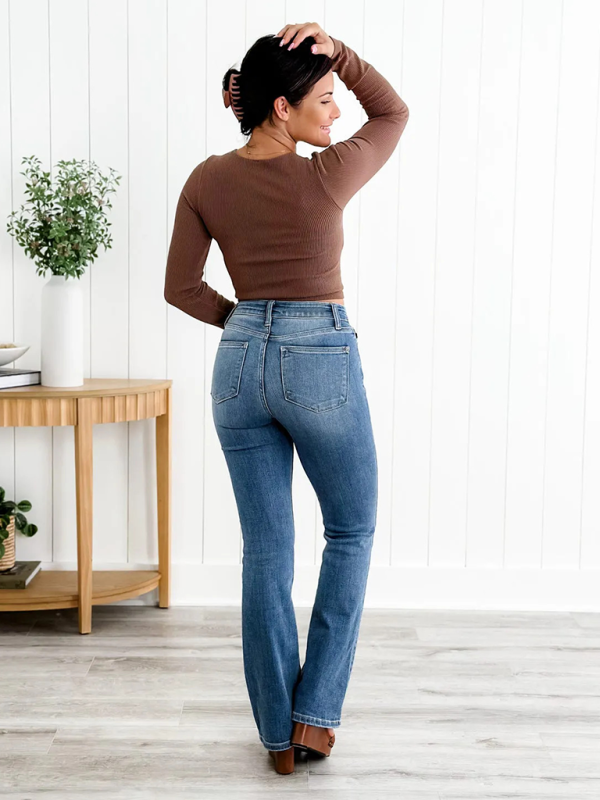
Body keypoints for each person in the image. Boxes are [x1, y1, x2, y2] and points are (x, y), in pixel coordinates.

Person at [164, 21, 409, 775]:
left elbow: (180, 289)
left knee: (266, 550)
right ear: (281, 107)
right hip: (319, 357)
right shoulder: (325, 174)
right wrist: (344, 53)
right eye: (326, 99)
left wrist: (245, 324)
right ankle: (314, 719)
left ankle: (276, 734)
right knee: (351, 532)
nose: (337, 112)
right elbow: (394, 112)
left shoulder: (205, 178)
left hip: (238, 366)